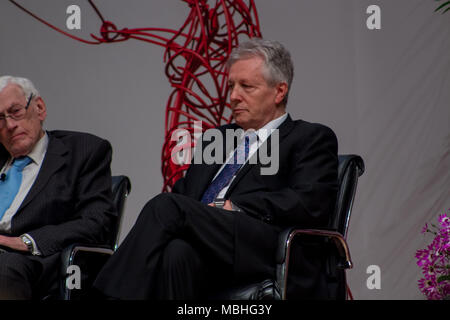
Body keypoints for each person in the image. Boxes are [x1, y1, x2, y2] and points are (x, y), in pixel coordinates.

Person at [93, 38, 338, 299]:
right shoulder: (217, 139)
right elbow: (185, 195)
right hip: (210, 245)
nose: (233, 97)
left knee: (165, 206)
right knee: (177, 252)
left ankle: (102, 297)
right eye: (231, 86)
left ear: (279, 91)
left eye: (246, 86)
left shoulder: (309, 137)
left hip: (262, 244)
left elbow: (309, 202)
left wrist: (236, 206)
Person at [0, 76, 116, 299]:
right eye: (0, 119)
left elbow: (97, 222)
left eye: (16, 112)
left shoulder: (83, 151)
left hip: (33, 260)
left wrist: (25, 241)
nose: (10, 125)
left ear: (39, 108)